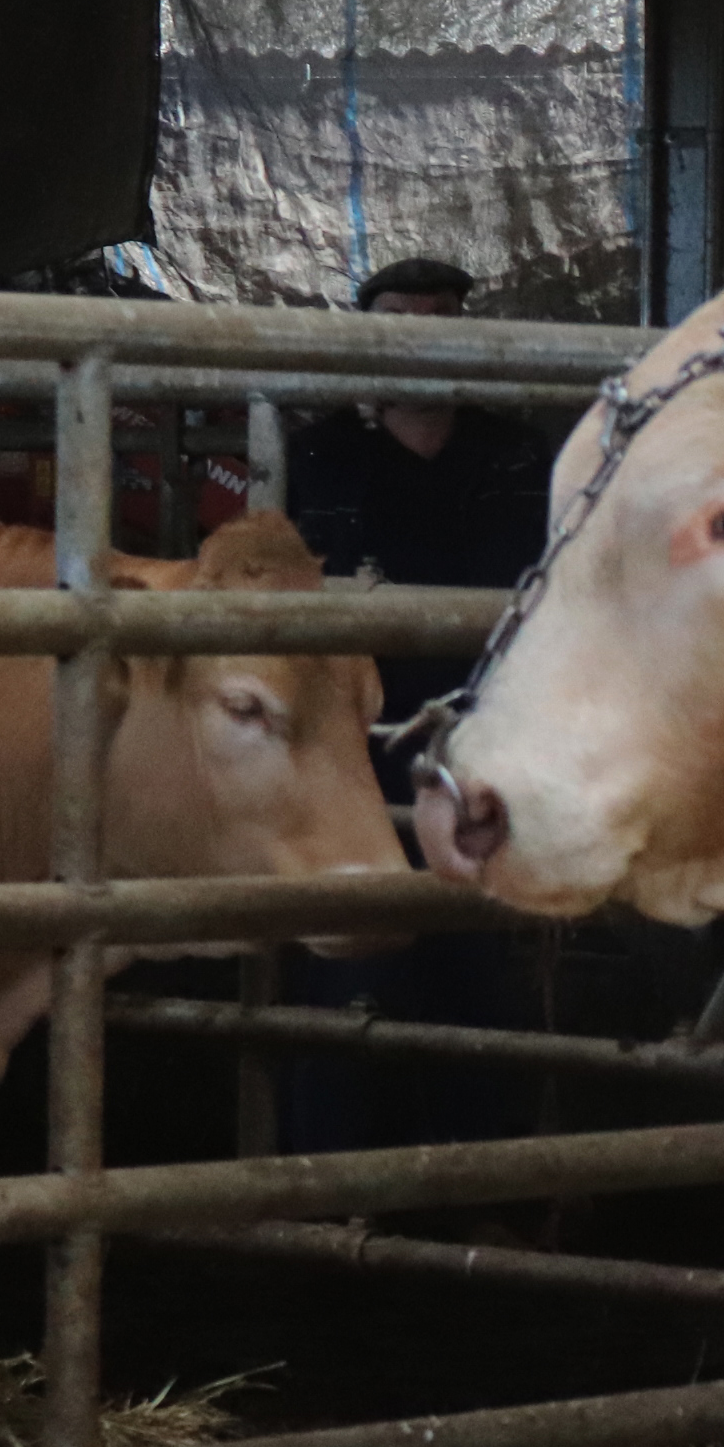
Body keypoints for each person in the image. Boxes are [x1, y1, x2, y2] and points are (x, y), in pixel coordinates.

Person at [277, 256, 559, 1153]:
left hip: (486, 737)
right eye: (400, 315)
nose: (423, 331)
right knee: (345, 960)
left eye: (442, 314)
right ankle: (328, 1189)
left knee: (477, 962)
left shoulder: (517, 453)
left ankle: (474, 1181)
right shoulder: (319, 455)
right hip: (350, 747)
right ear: (367, 333)